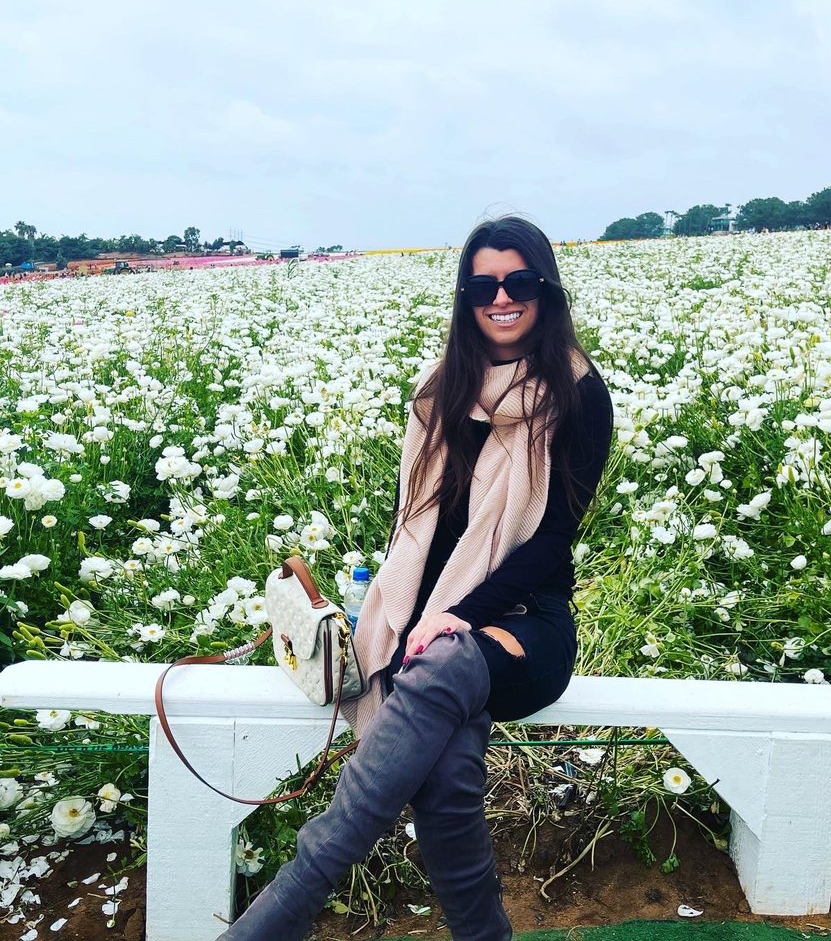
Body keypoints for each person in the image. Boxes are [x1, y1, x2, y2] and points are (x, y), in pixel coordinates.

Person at [220, 216, 613, 941]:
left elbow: (555, 539)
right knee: (446, 768)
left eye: (519, 282)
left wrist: (457, 614)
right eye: (483, 287)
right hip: (425, 624)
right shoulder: (440, 391)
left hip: (525, 622)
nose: (502, 299)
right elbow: (416, 528)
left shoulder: (578, 393)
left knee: (442, 662)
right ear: (465, 298)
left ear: (546, 290)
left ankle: (279, 915)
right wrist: (409, 616)